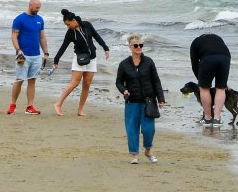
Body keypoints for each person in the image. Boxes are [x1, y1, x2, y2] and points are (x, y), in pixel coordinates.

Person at [115, 34, 165, 164]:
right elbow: (118, 82)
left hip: (148, 101)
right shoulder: (124, 64)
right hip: (132, 102)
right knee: (132, 129)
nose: (139, 47)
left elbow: (156, 81)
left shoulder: (149, 62)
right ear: (130, 47)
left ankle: (148, 150)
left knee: (149, 129)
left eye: (140, 45)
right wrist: (124, 90)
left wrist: (161, 98)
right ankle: (135, 155)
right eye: (136, 45)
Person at [52, 9, 110, 117]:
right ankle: (58, 104)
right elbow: (63, 46)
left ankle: (80, 110)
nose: (68, 26)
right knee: (75, 83)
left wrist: (105, 48)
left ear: (74, 20)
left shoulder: (87, 25)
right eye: (66, 25)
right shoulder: (70, 33)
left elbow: (97, 36)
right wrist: (56, 60)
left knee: (87, 84)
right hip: (79, 59)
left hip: (92, 59)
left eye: (68, 24)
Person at [8, 0, 48, 116]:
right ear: (30, 5)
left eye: (39, 7)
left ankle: (30, 106)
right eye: (36, 7)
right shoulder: (19, 19)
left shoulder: (40, 20)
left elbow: (42, 37)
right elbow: (14, 35)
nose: (38, 9)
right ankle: (13, 104)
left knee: (32, 81)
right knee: (19, 79)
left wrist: (46, 53)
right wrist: (18, 50)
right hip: (22, 56)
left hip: (36, 55)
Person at [189, 33, 231, 126]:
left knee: (204, 88)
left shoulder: (195, 42)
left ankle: (207, 118)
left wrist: (200, 81)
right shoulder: (217, 37)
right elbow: (224, 52)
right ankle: (217, 119)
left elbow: (194, 64)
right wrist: (224, 82)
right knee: (221, 88)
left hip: (208, 59)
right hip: (225, 58)